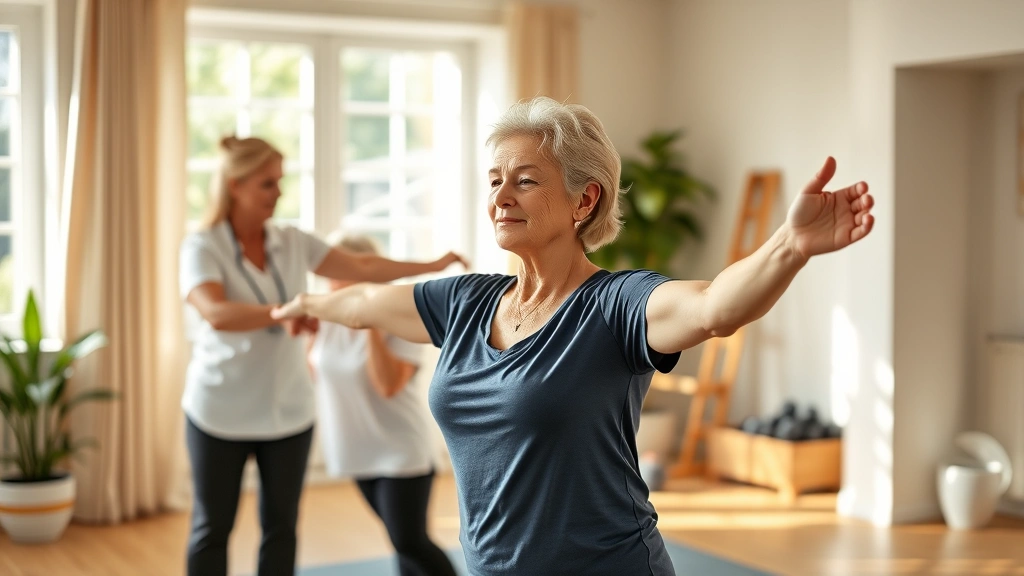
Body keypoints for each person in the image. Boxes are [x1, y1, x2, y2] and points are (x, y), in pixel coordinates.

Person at [272, 97, 875, 575]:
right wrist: (308, 302)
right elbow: (365, 304)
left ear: (584, 199)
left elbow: (715, 306)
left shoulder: (615, 306)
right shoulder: (464, 302)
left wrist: (789, 246)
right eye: (494, 180)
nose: (500, 197)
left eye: (526, 181)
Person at [179, 135, 466, 576]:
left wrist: (431, 266)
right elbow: (215, 312)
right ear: (234, 185)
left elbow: (364, 268)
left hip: (288, 414)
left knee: (281, 530)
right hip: (220, 411)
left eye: (280, 182)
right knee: (211, 529)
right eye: (267, 184)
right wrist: (284, 313)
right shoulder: (203, 246)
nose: (279, 193)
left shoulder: (291, 241)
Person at [307, 232, 457, 576]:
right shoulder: (328, 318)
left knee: (410, 540)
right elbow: (318, 374)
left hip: (400, 450)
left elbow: (387, 385)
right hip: (356, 450)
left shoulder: (401, 321)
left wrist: (368, 318)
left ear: (367, 274)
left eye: (339, 270)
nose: (329, 280)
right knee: (400, 542)